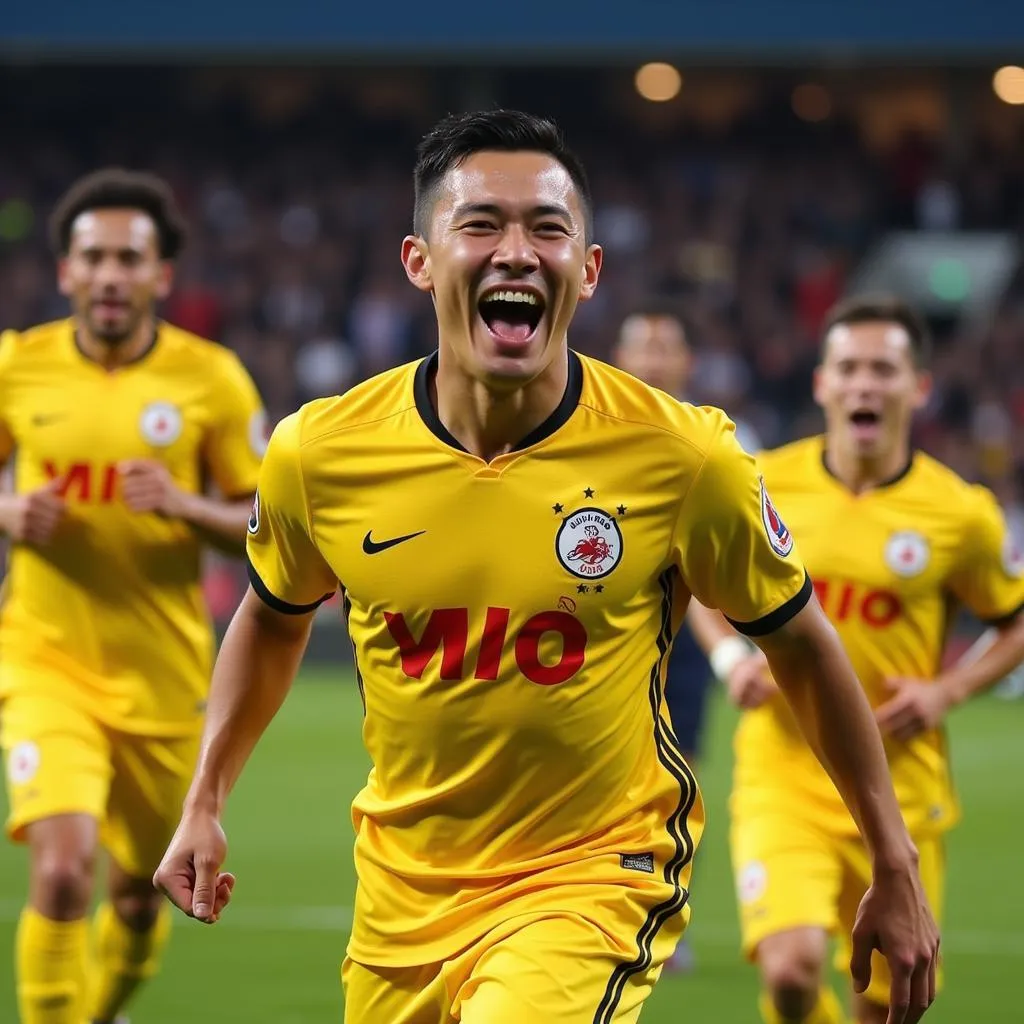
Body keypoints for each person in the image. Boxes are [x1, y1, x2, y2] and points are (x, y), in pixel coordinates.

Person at [155, 111, 939, 1024]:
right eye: (481, 224)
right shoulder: (319, 453)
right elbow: (270, 615)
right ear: (419, 260)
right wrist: (204, 798)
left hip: (591, 877)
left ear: (590, 270)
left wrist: (892, 858)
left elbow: (802, 645)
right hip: (400, 897)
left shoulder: (682, 456)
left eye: (549, 228)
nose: (517, 252)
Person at [687, 294, 1024, 1024]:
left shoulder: (959, 513)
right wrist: (729, 658)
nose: (864, 384)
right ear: (821, 384)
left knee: (884, 1004)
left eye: (883, 369)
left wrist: (949, 690)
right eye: (848, 368)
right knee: (790, 970)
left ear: (919, 388)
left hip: (899, 787)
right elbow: (696, 586)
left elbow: (1015, 621)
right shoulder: (763, 483)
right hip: (784, 773)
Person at [0, 168, 267, 1024]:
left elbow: (267, 522)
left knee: (138, 893)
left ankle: (104, 1006)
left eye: (129, 259)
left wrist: (189, 506)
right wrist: (6, 508)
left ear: (160, 277)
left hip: (161, 672)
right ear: (67, 273)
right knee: (64, 870)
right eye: (94, 258)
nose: (110, 275)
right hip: (45, 659)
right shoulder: (18, 365)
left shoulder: (212, 380)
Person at [612, 303, 763, 974]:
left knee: (679, 780)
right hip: (607, 636)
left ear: (686, 363)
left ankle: (666, 915)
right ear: (618, 359)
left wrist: (732, 645)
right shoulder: (587, 437)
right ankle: (611, 907)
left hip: (688, 645)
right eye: (639, 346)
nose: (650, 358)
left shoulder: (722, 443)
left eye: (663, 345)